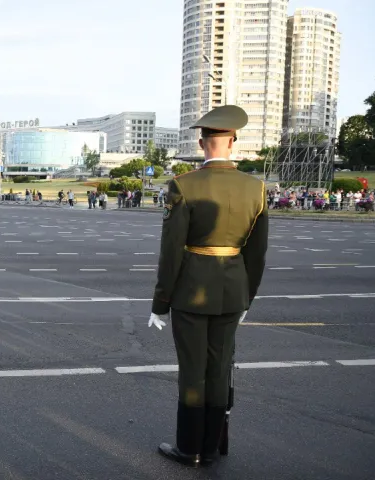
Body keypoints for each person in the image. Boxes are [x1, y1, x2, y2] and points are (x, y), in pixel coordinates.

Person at [148, 105, 269, 467]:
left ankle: (190, 448)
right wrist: (247, 297)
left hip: (190, 293)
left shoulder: (184, 185)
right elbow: (257, 254)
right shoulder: (256, 188)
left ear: (202, 144)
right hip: (233, 292)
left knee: (192, 369)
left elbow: (170, 253)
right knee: (218, 369)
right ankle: (212, 447)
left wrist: (160, 303)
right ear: (233, 141)